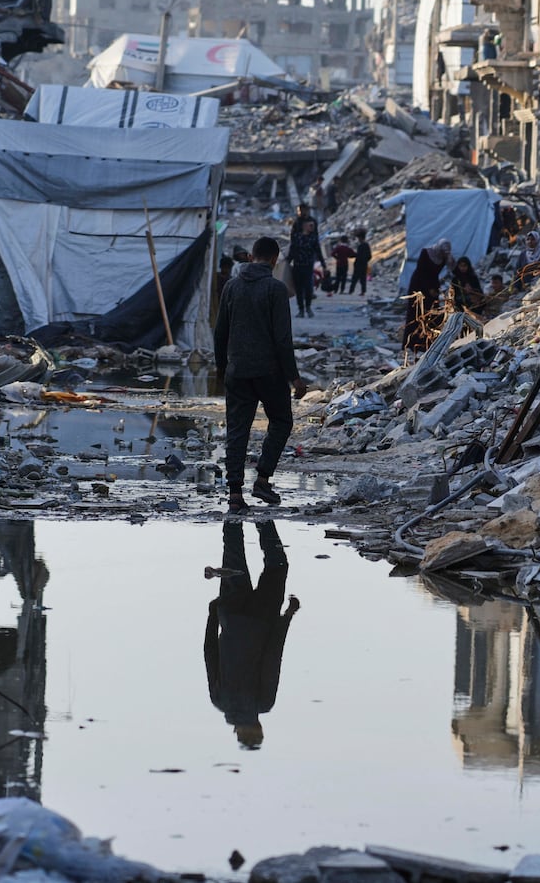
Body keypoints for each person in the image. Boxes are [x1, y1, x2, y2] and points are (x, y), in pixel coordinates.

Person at [214, 236, 308, 512]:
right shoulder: (276, 290)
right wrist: (294, 377)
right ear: (274, 259)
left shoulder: (231, 287)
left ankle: (234, 495)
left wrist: (222, 370)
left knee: (237, 431)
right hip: (270, 373)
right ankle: (263, 479)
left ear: (252, 257)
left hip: (238, 372)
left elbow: (220, 333)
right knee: (281, 421)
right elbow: (282, 339)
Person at [206, 519, 298, 750]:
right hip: (230, 615)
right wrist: (213, 615)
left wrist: (287, 616)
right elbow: (210, 653)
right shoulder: (219, 701)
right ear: (236, 731)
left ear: (259, 728)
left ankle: (264, 521)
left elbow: (272, 657)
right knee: (233, 559)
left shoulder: (263, 703)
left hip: (261, 618)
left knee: (277, 566)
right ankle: (234, 511)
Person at [402, 239, 451, 350]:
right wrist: (429, 289)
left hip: (433, 287)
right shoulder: (426, 253)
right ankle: (411, 343)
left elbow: (447, 268)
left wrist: (435, 289)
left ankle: (427, 342)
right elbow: (422, 272)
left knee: (431, 314)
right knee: (416, 314)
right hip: (419, 286)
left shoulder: (443, 257)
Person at [287, 209, 323, 318]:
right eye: (310, 225)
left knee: (308, 288)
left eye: (313, 225)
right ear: (304, 226)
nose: (312, 227)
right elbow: (292, 250)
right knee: (298, 289)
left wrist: (324, 265)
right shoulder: (296, 237)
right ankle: (301, 310)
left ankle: (308, 307)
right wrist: (287, 262)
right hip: (297, 265)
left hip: (308, 266)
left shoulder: (313, 238)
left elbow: (318, 251)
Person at [351, 228, 372, 296]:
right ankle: (362, 291)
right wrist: (365, 261)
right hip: (363, 264)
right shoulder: (366, 245)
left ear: (360, 238)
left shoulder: (361, 246)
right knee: (362, 279)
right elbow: (369, 256)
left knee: (355, 278)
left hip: (359, 264)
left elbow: (359, 255)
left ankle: (351, 291)